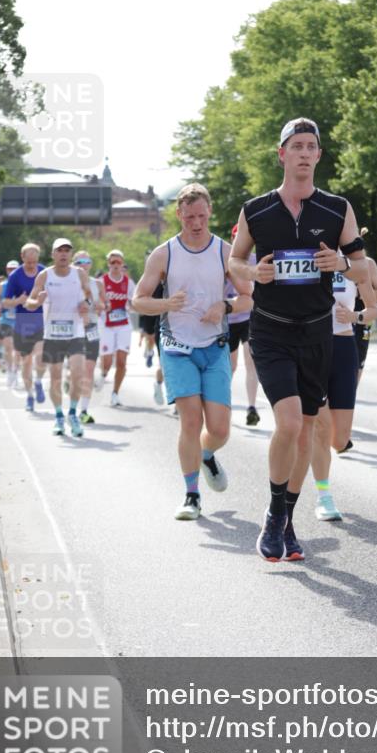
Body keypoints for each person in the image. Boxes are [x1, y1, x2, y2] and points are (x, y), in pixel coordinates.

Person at [229, 116, 367, 562]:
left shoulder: (337, 209)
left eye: (312, 146)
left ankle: (288, 521)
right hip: (269, 329)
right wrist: (252, 273)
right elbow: (235, 261)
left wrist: (341, 265)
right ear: (282, 153)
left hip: (316, 332)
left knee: (307, 430)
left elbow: (364, 269)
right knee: (288, 423)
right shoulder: (256, 210)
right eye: (297, 145)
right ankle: (273, 515)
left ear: (319, 156)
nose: (305, 153)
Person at [133, 183, 253, 520]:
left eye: (201, 216)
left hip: (214, 346)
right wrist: (165, 303)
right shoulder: (164, 254)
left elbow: (249, 297)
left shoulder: (224, 252)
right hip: (176, 346)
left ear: (209, 212)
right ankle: (191, 495)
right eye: (189, 218)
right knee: (190, 420)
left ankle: (206, 454)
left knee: (219, 430)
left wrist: (226, 306)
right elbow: (138, 299)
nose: (196, 223)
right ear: (179, 215)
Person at [289, 261, 377, 523]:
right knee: (321, 426)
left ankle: (310, 452)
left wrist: (355, 317)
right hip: (311, 346)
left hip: (343, 347)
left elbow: (373, 310)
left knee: (339, 440)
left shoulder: (356, 265)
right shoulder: (308, 258)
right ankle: (324, 495)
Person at [25, 238, 91, 437]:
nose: (63, 254)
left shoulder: (79, 274)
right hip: (53, 334)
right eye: (59, 251)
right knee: (55, 377)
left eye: (66, 251)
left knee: (78, 374)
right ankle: (59, 416)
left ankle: (72, 413)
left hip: (75, 332)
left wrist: (86, 304)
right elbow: (29, 302)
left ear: (70, 255)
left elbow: (88, 294)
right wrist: (37, 302)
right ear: (53, 254)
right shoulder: (44, 275)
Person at [1, 243, 47, 410]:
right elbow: (5, 302)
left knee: (42, 357)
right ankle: (29, 396)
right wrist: (18, 301)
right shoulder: (15, 276)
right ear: (22, 258)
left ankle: (38, 381)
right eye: (28, 262)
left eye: (34, 262)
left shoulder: (44, 272)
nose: (31, 265)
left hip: (41, 320)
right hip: (22, 323)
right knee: (26, 362)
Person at [226, 224, 261, 426]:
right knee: (230, 367)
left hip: (249, 318)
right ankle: (224, 404)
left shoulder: (256, 260)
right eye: (237, 237)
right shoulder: (226, 259)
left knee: (251, 364)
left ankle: (251, 407)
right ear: (232, 239)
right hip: (229, 320)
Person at [72, 250, 106, 423]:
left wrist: (95, 305)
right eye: (78, 262)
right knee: (76, 371)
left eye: (86, 261)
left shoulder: (97, 284)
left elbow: (104, 304)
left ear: (90, 264)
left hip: (91, 328)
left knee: (89, 369)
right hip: (72, 329)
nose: (82, 264)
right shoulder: (68, 282)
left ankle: (83, 410)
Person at [100, 249, 135, 407]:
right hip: (106, 325)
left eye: (118, 262)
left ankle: (115, 393)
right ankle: (103, 373)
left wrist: (131, 306)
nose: (115, 265)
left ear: (122, 264)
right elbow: (94, 303)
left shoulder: (128, 283)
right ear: (108, 264)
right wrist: (102, 305)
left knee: (121, 362)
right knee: (107, 361)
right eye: (112, 262)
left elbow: (135, 302)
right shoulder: (101, 282)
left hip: (123, 325)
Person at [353, 231, 377, 390]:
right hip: (335, 321)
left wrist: (360, 292)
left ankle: (348, 400)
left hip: (362, 320)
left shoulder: (368, 263)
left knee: (356, 369)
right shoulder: (330, 261)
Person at [0, 262, 19, 377]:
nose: (12, 271)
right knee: (8, 346)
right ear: (6, 270)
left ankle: (15, 369)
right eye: (10, 269)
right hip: (6, 320)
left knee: (17, 349)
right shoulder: (2, 285)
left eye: (14, 268)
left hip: (19, 320)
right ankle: (10, 370)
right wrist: (1, 305)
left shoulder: (22, 284)